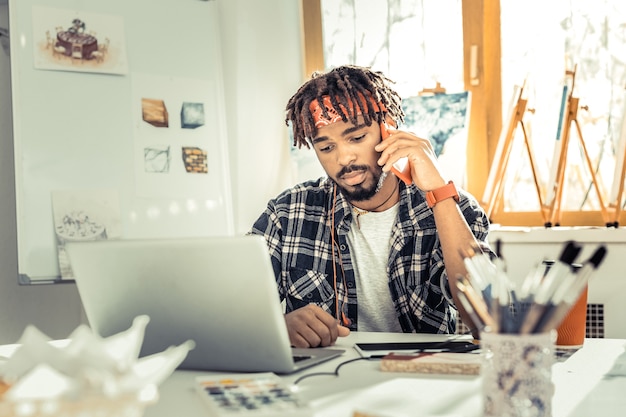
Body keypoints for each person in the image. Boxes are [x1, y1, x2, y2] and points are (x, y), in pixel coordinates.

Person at [249, 65, 491, 348]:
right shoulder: (288, 213)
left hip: (422, 380)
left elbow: (486, 321)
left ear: (387, 130)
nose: (344, 158)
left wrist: (439, 192)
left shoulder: (452, 209)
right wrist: (276, 327)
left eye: (356, 137)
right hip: (324, 382)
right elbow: (229, 307)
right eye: (326, 148)